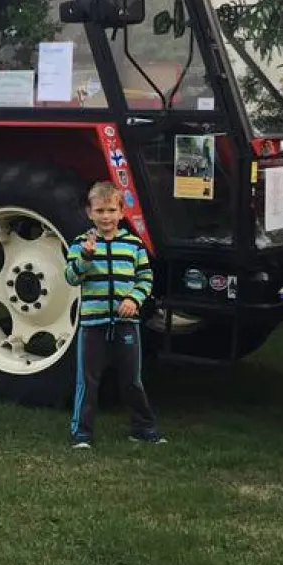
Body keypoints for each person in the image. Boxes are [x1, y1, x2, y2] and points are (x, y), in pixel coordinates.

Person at [62, 181, 165, 449]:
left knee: (132, 379)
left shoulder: (133, 245)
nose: (105, 216)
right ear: (89, 213)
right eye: (99, 211)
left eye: (111, 210)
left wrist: (134, 299)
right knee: (88, 381)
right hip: (92, 325)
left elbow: (145, 277)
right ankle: (82, 434)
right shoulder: (80, 244)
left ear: (122, 212)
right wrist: (85, 256)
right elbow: (71, 277)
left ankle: (143, 428)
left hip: (126, 325)